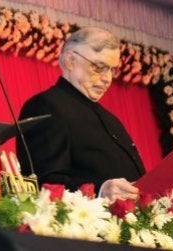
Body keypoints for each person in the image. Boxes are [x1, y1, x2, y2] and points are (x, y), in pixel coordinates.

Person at [16, 27, 146, 201]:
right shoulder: (45, 105)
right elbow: (45, 181)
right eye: (99, 67)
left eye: (112, 70)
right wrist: (100, 191)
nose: (107, 78)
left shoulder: (110, 119)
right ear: (70, 61)